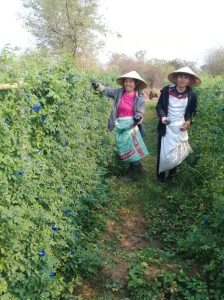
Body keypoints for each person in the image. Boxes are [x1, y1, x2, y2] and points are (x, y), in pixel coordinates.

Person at [91, 71, 149, 180]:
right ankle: (138, 167)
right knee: (124, 146)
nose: (128, 84)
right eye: (126, 81)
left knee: (132, 147)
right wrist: (98, 86)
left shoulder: (139, 97)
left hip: (133, 125)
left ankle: (133, 173)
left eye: (131, 82)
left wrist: (137, 117)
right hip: (121, 124)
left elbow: (140, 112)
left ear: (135, 84)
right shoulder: (119, 92)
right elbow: (106, 90)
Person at [156, 67, 201, 181]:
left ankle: (172, 177)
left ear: (189, 81)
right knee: (163, 152)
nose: (182, 79)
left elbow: (193, 112)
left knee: (176, 153)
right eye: (180, 76)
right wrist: (163, 116)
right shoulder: (167, 90)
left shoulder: (192, 95)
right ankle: (160, 177)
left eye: (186, 77)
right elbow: (160, 106)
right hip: (166, 125)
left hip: (180, 127)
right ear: (176, 78)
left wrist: (188, 121)